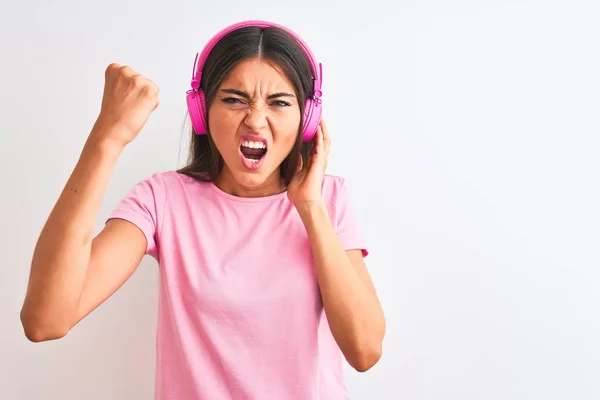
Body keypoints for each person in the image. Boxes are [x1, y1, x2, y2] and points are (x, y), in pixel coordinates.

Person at [20, 20, 386, 399]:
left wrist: (310, 207)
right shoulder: (162, 199)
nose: (255, 120)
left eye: (279, 102)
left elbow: (364, 351)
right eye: (234, 99)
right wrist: (107, 137)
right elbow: (46, 320)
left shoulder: (329, 199)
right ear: (201, 111)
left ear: (307, 119)